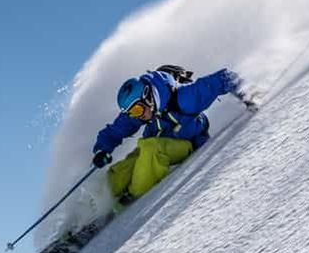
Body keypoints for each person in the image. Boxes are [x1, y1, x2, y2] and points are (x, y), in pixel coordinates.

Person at [92, 65, 255, 209]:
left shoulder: (185, 99)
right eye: (133, 113)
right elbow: (115, 130)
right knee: (131, 162)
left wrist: (248, 95)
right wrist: (102, 149)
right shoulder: (144, 110)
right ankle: (94, 205)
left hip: (185, 145)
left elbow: (223, 78)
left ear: (149, 97)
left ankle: (132, 196)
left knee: (150, 148)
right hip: (156, 149)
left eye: (138, 111)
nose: (138, 116)